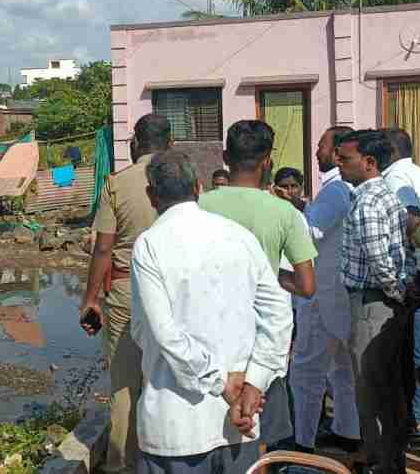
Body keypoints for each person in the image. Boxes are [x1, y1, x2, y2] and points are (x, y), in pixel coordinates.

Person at [131, 150, 292, 473]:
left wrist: (223, 384)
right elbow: (279, 312)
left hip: (178, 425)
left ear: (151, 196)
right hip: (240, 418)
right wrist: (254, 381)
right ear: (199, 187)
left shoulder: (150, 245)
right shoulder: (238, 236)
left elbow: (165, 334)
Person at [199, 120, 318, 454]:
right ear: (268, 161)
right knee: (260, 438)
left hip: (208, 339)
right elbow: (307, 286)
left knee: (211, 438)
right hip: (263, 342)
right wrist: (267, 275)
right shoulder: (285, 213)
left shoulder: (199, 206)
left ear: (225, 157)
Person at [80, 114, 171, 473]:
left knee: (124, 383)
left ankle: (121, 464)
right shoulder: (183, 179)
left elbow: (103, 249)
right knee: (167, 378)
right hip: (173, 292)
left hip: (125, 291)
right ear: (171, 144)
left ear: (134, 144)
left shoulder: (117, 184)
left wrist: (89, 300)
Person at [336, 129, 417, 474]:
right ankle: (390, 460)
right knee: (388, 388)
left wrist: (396, 291)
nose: (338, 164)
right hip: (385, 301)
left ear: (369, 163)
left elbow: (380, 259)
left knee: (371, 391)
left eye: (345, 159)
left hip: (373, 303)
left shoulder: (369, 201)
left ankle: (380, 463)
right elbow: (405, 249)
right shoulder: (384, 194)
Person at [289, 126, 361, 455]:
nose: (316, 152)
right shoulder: (345, 188)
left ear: (335, 154)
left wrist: (285, 210)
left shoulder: (334, 190)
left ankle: (302, 440)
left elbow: (310, 231)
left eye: (321, 146)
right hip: (342, 293)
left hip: (322, 293)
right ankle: (348, 431)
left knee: (306, 370)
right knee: (342, 369)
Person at [381, 127, 420, 446]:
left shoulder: (394, 178)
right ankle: (417, 418)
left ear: (390, 152)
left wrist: (408, 243)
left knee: (408, 349)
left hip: (414, 267)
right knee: (417, 344)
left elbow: (412, 220)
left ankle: (413, 422)